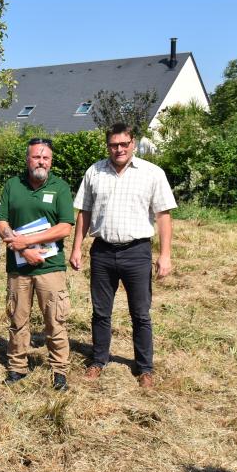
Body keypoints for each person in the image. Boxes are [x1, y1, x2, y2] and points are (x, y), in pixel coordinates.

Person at [69, 123, 176, 389]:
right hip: (103, 251)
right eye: (113, 145)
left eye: (123, 144)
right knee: (100, 312)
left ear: (133, 144)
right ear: (108, 146)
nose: (118, 149)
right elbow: (84, 212)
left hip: (137, 252)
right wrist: (76, 248)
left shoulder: (152, 173)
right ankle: (99, 360)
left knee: (140, 313)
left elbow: (163, 215)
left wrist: (165, 255)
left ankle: (144, 367)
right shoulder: (94, 171)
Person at [0, 137, 74, 391]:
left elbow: (64, 228)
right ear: (27, 159)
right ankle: (17, 367)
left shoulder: (60, 187)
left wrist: (27, 241)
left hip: (50, 268)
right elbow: (0, 222)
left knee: (55, 320)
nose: (41, 161)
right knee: (18, 319)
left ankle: (59, 370)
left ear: (51, 161)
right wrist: (18, 244)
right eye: (36, 157)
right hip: (19, 269)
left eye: (46, 158)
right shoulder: (12, 185)